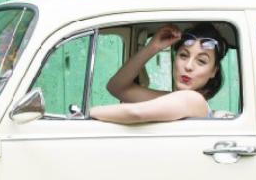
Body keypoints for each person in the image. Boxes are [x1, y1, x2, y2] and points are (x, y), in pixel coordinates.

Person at [89, 23, 227, 124]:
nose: (189, 66)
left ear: (213, 72)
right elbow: (117, 88)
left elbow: (135, 113)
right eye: (184, 56)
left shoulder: (193, 100)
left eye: (201, 61)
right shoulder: (175, 99)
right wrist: (153, 47)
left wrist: (87, 113)